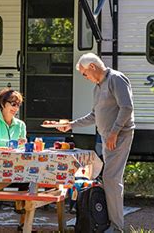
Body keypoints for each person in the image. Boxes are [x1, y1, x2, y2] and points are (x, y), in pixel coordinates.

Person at [57, 53, 135, 232]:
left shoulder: (116, 79)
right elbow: (94, 115)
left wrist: (115, 132)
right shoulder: (98, 88)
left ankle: (116, 228)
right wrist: (71, 125)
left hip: (119, 136)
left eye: (85, 74)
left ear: (92, 66)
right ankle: (108, 223)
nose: (85, 78)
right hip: (107, 137)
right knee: (110, 179)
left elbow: (127, 107)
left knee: (111, 178)